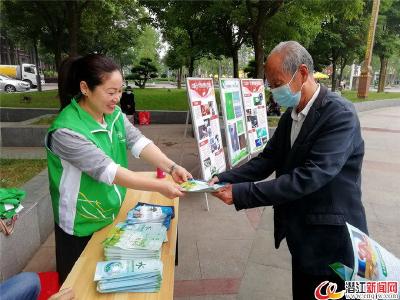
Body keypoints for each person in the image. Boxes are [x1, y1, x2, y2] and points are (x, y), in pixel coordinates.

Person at [210, 41, 368, 299]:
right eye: (270, 84)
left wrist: (242, 194)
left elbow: (310, 176)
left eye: (276, 82)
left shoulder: (339, 116)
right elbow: (267, 159)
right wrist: (222, 178)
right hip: (302, 236)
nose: (273, 91)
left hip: (332, 240)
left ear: (302, 73)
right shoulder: (292, 114)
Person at [46, 54, 191, 284]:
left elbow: (138, 142)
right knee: (79, 287)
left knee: (111, 283)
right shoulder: (66, 131)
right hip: (80, 225)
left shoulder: (112, 115)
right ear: (85, 88)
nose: (117, 98)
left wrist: (172, 167)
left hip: (111, 212)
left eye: (120, 91)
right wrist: (159, 185)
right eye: (110, 92)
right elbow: (108, 171)